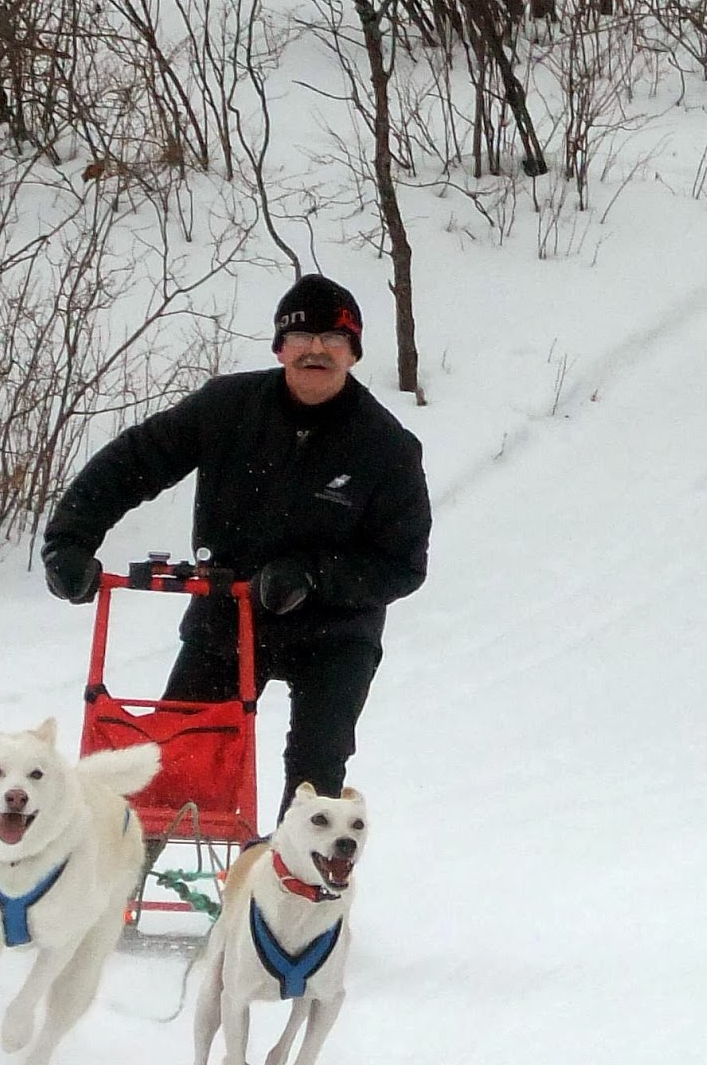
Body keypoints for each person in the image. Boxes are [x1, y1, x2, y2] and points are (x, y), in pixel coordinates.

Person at [40, 273, 431, 818]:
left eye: (333, 340)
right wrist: (70, 538)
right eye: (301, 338)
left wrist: (313, 575)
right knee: (171, 760)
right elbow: (135, 461)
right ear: (280, 348)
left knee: (315, 781)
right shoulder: (229, 407)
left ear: (353, 354)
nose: (315, 351)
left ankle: (292, 894)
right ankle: (120, 890)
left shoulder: (385, 446)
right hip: (229, 610)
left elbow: (403, 565)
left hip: (334, 632)